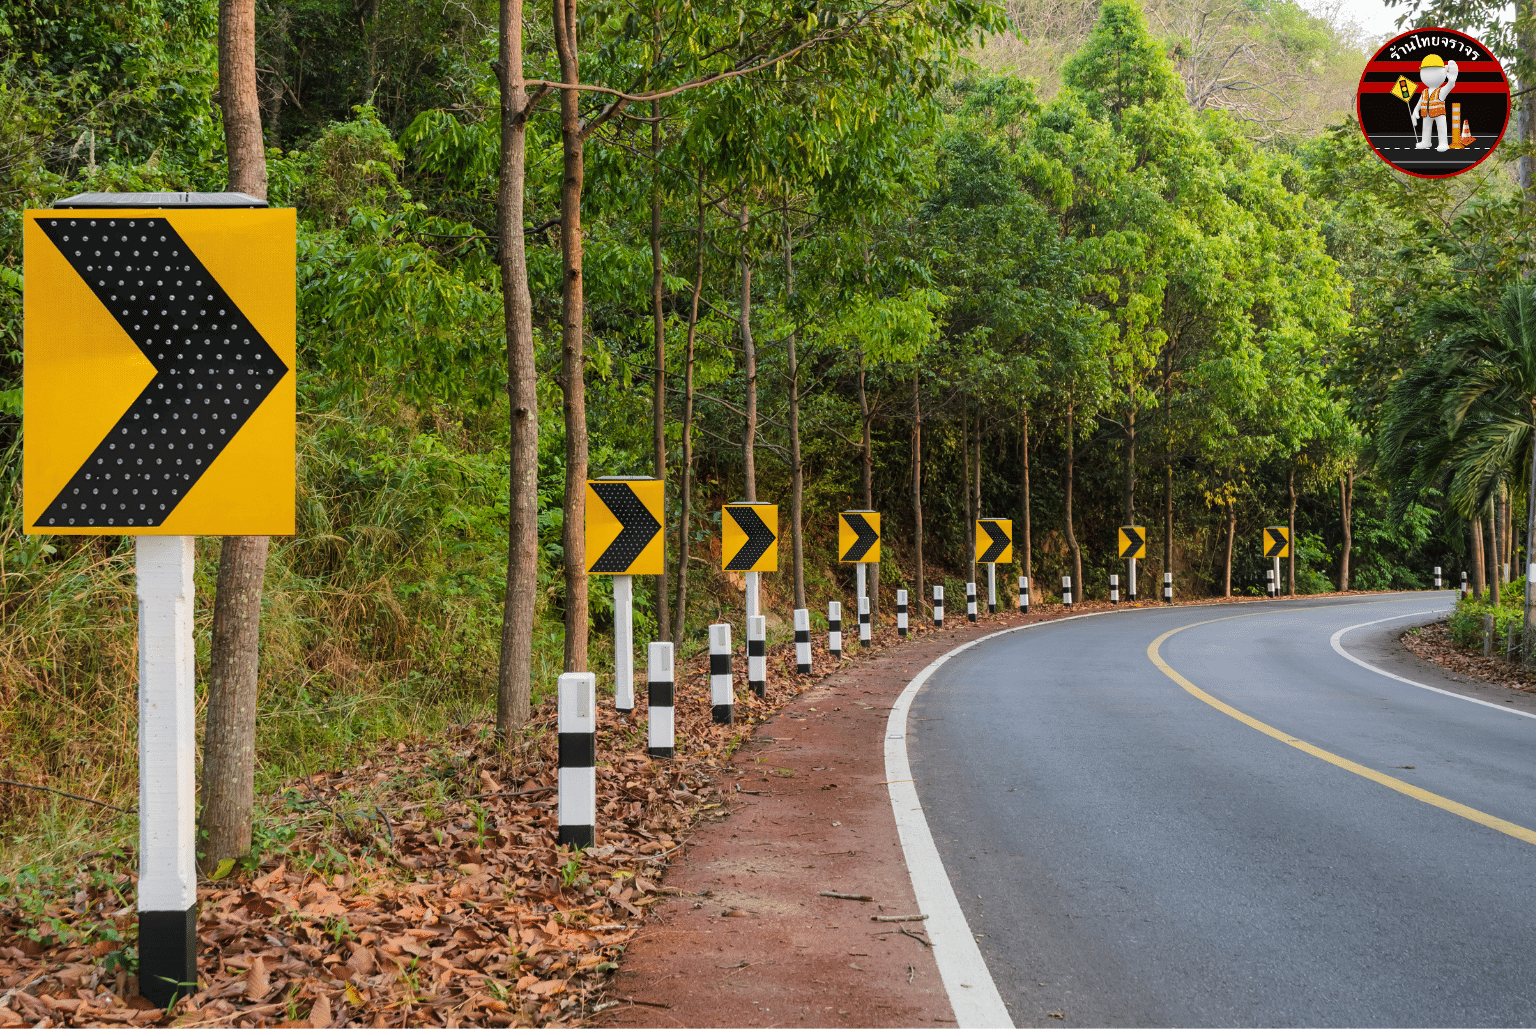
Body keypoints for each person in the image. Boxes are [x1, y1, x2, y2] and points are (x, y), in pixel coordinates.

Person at [1412, 53, 1460, 151]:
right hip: (1426, 113)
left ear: (1444, 71)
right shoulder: (1424, 91)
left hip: (1439, 113)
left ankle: (1443, 143)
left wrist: (1451, 81)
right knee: (1425, 129)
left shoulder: (1440, 91)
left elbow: (1450, 86)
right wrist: (1415, 110)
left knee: (1441, 129)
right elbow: (1420, 102)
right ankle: (1426, 141)